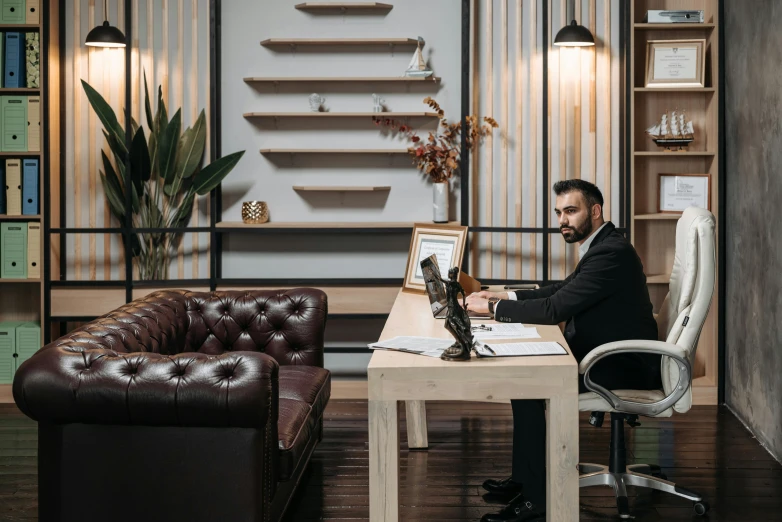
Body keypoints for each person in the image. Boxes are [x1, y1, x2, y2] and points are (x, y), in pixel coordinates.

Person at [464, 179, 660, 522]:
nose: (562, 220)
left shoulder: (611, 253)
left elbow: (556, 309)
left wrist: (492, 311)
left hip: (620, 364)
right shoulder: (602, 247)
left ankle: (538, 500)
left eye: (571, 210)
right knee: (522, 380)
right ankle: (525, 480)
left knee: (529, 381)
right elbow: (561, 290)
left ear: (595, 211)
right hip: (605, 354)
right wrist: (500, 296)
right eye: (559, 212)